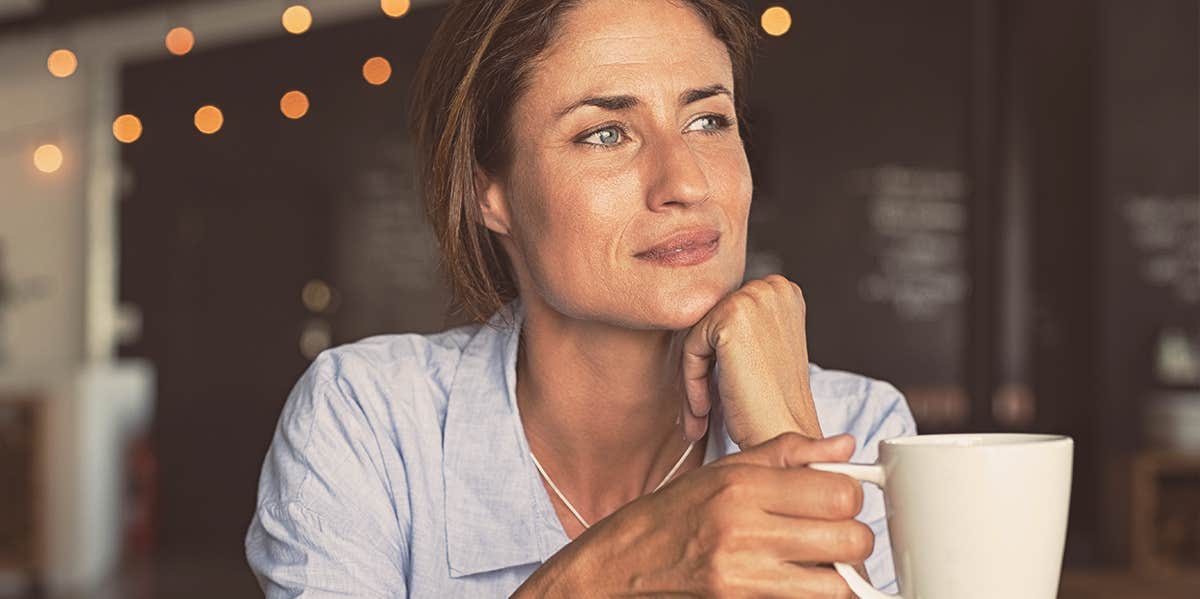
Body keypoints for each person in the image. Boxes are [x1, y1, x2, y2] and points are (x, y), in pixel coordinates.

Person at [245, 0, 917, 596]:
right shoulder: (372, 420)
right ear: (491, 193)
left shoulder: (861, 424)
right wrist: (610, 572)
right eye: (605, 133)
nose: (684, 181)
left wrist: (786, 438)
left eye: (709, 120)